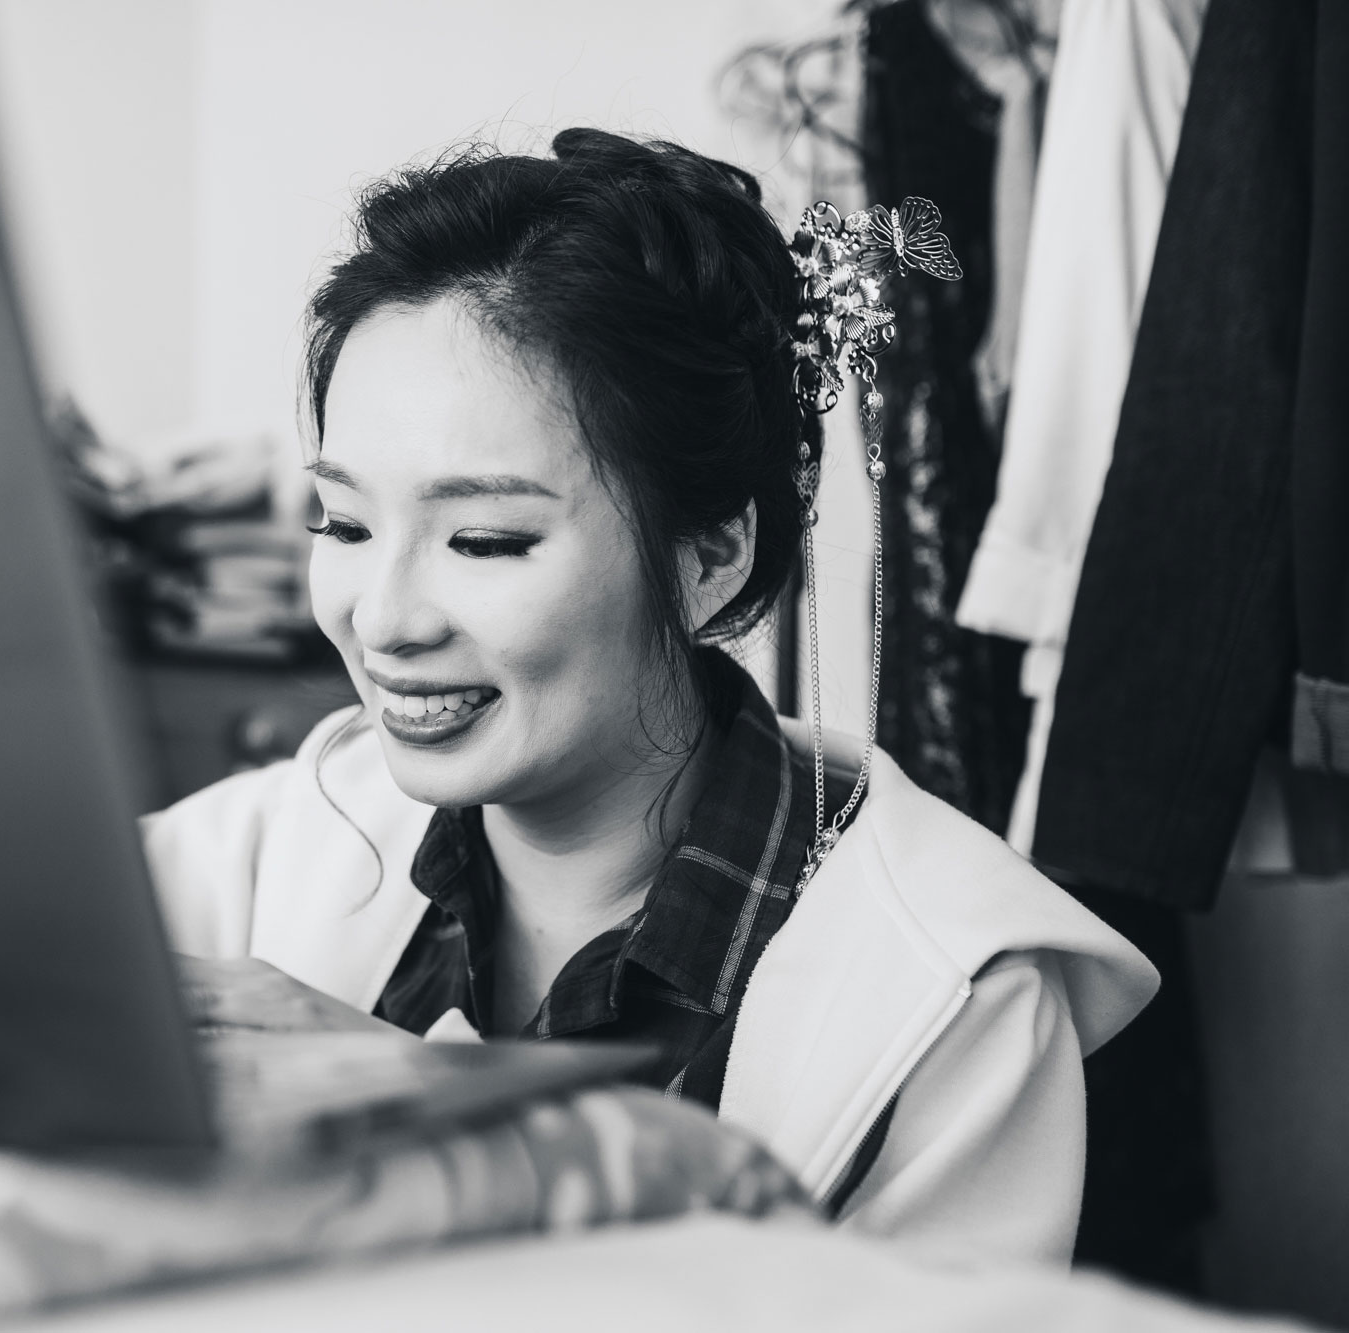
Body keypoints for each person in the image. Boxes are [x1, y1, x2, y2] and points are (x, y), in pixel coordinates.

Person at [148, 128, 1158, 1265]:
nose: (381, 618)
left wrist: (421, 1107)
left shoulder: (950, 1002)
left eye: (482, 539)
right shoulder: (263, 855)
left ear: (710, 556)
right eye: (342, 522)